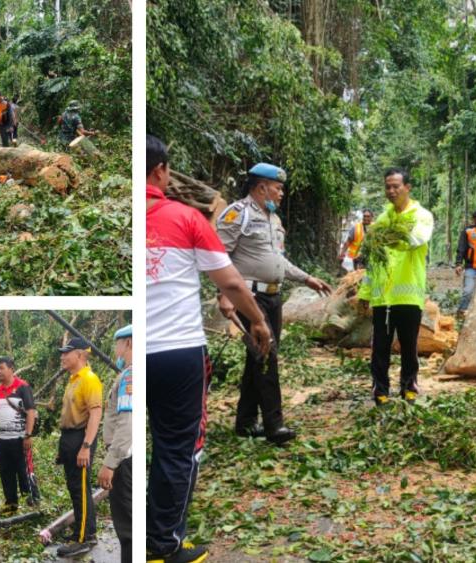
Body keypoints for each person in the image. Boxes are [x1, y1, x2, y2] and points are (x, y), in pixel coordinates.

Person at [146, 134, 271, 563]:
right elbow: (232, 281)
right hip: (179, 352)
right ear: (162, 171)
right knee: (178, 448)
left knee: (152, 445)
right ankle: (163, 545)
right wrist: (258, 322)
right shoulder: (186, 218)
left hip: (135, 352)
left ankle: (146, 534)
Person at [217, 163, 333, 444]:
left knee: (257, 357)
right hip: (249, 296)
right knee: (267, 357)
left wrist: (307, 279)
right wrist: (224, 294)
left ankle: (245, 422)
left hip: (273, 296)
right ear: (261, 187)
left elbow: (277, 260)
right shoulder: (237, 214)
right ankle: (274, 425)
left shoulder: (274, 220)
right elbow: (218, 255)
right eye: (278, 188)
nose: (282, 194)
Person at [358, 167, 434, 406]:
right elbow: (373, 260)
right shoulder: (381, 220)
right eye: (387, 187)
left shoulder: (421, 216)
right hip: (382, 298)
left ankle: (409, 387)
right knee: (380, 347)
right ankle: (380, 390)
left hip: (409, 295)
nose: (391, 191)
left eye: (396, 186)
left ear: (407, 188)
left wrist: (384, 235)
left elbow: (414, 240)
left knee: (409, 347)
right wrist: (365, 293)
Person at [55, 338, 103, 558]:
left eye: (67, 353)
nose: (63, 357)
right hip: (68, 438)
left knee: (81, 489)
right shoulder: (72, 380)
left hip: (80, 438)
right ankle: (81, 531)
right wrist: (62, 448)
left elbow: (95, 414)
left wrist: (86, 446)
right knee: (75, 488)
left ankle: (83, 538)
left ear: (81, 355)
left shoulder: (89, 379)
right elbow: (68, 416)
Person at [0, 357, 37, 514]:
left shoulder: (22, 387)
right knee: (5, 472)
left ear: (11, 368)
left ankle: (32, 500)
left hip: (19, 439)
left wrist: (28, 435)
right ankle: (11, 502)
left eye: (1, 368)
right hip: (2, 440)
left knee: (24, 471)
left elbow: (31, 412)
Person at [99, 325, 132, 562]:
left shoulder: (130, 376)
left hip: (124, 459)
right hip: (125, 456)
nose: (116, 350)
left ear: (128, 343)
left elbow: (127, 423)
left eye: (118, 344)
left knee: (127, 525)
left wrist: (110, 463)